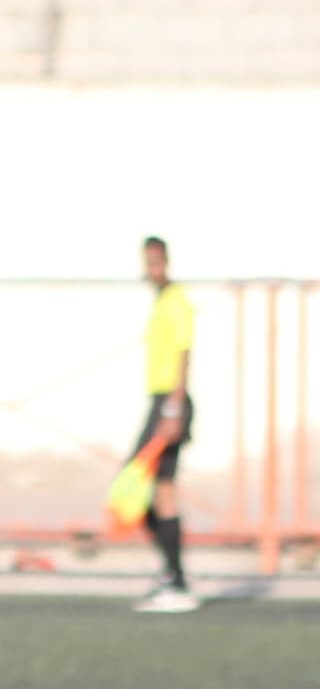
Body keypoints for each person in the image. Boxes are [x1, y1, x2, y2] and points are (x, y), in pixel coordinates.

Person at [132, 236, 197, 614]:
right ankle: (172, 573)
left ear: (167, 262)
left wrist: (173, 408)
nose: (151, 269)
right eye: (147, 262)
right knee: (140, 490)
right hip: (159, 401)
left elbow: (185, 352)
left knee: (161, 487)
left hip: (170, 403)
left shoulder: (176, 301)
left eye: (157, 261)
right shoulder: (159, 302)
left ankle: (176, 582)